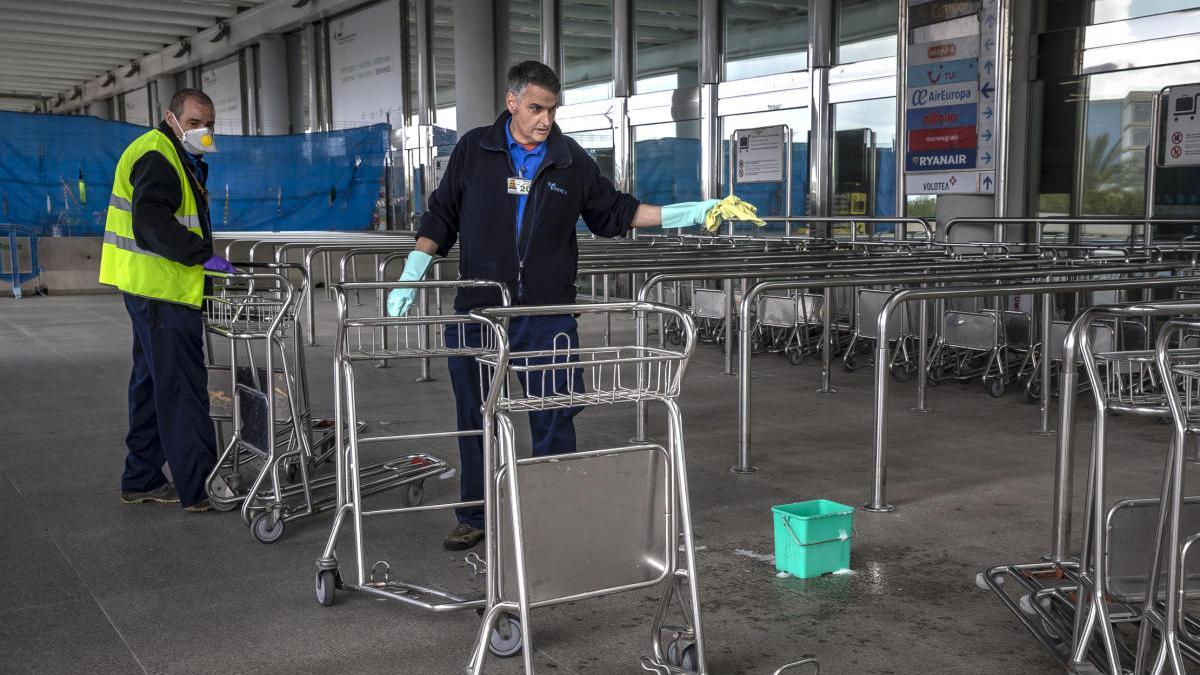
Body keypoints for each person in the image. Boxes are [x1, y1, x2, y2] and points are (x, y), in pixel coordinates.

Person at [387, 61, 719, 550]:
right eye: (536, 108)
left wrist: (690, 212)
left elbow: (616, 213)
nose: (545, 119)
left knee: (554, 414)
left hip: (545, 317)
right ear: (512, 102)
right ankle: (475, 513)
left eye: (552, 109)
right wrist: (411, 272)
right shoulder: (475, 152)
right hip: (480, 313)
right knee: (475, 415)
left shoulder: (570, 161)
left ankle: (553, 510)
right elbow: (441, 215)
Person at [99, 88, 235, 512]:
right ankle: (201, 488)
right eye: (194, 123)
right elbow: (150, 221)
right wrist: (202, 255)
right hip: (163, 290)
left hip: (149, 287)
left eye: (209, 124)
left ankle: (141, 477)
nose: (203, 131)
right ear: (171, 118)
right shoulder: (159, 154)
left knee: (151, 382)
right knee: (181, 386)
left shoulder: (175, 155)